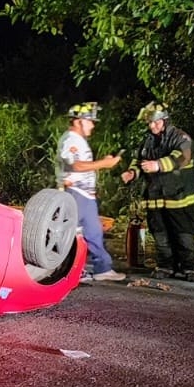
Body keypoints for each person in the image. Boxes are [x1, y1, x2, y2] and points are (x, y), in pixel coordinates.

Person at [120, 102, 194, 280]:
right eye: (149, 123)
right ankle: (165, 266)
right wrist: (132, 172)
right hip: (155, 197)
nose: (152, 126)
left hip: (178, 197)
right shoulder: (148, 140)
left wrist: (157, 165)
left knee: (183, 234)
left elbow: (182, 156)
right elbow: (139, 159)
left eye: (155, 122)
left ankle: (190, 267)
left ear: (165, 120)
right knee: (160, 235)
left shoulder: (181, 137)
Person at [58, 102, 125, 283]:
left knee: (93, 233)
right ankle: (70, 271)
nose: (93, 125)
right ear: (79, 121)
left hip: (85, 195)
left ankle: (102, 268)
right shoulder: (70, 140)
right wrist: (104, 164)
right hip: (76, 193)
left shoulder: (79, 141)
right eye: (90, 121)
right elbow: (75, 165)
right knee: (74, 234)